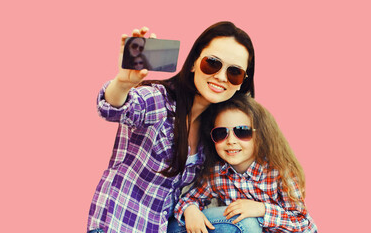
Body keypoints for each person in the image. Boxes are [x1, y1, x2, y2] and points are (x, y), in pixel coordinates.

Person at [87, 21, 256, 233]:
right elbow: (113, 108)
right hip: (119, 225)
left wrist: (191, 207)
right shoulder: (159, 100)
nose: (221, 77)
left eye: (234, 72)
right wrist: (123, 82)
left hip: (165, 226)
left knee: (245, 223)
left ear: (241, 82)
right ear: (194, 63)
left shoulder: (218, 130)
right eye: (212, 63)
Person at [171, 94, 318, 233]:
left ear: (261, 135)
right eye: (221, 133)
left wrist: (262, 209)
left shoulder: (281, 171)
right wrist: (190, 209)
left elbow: (302, 223)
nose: (231, 141)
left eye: (242, 131)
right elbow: (190, 198)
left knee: (248, 221)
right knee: (244, 221)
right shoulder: (218, 173)